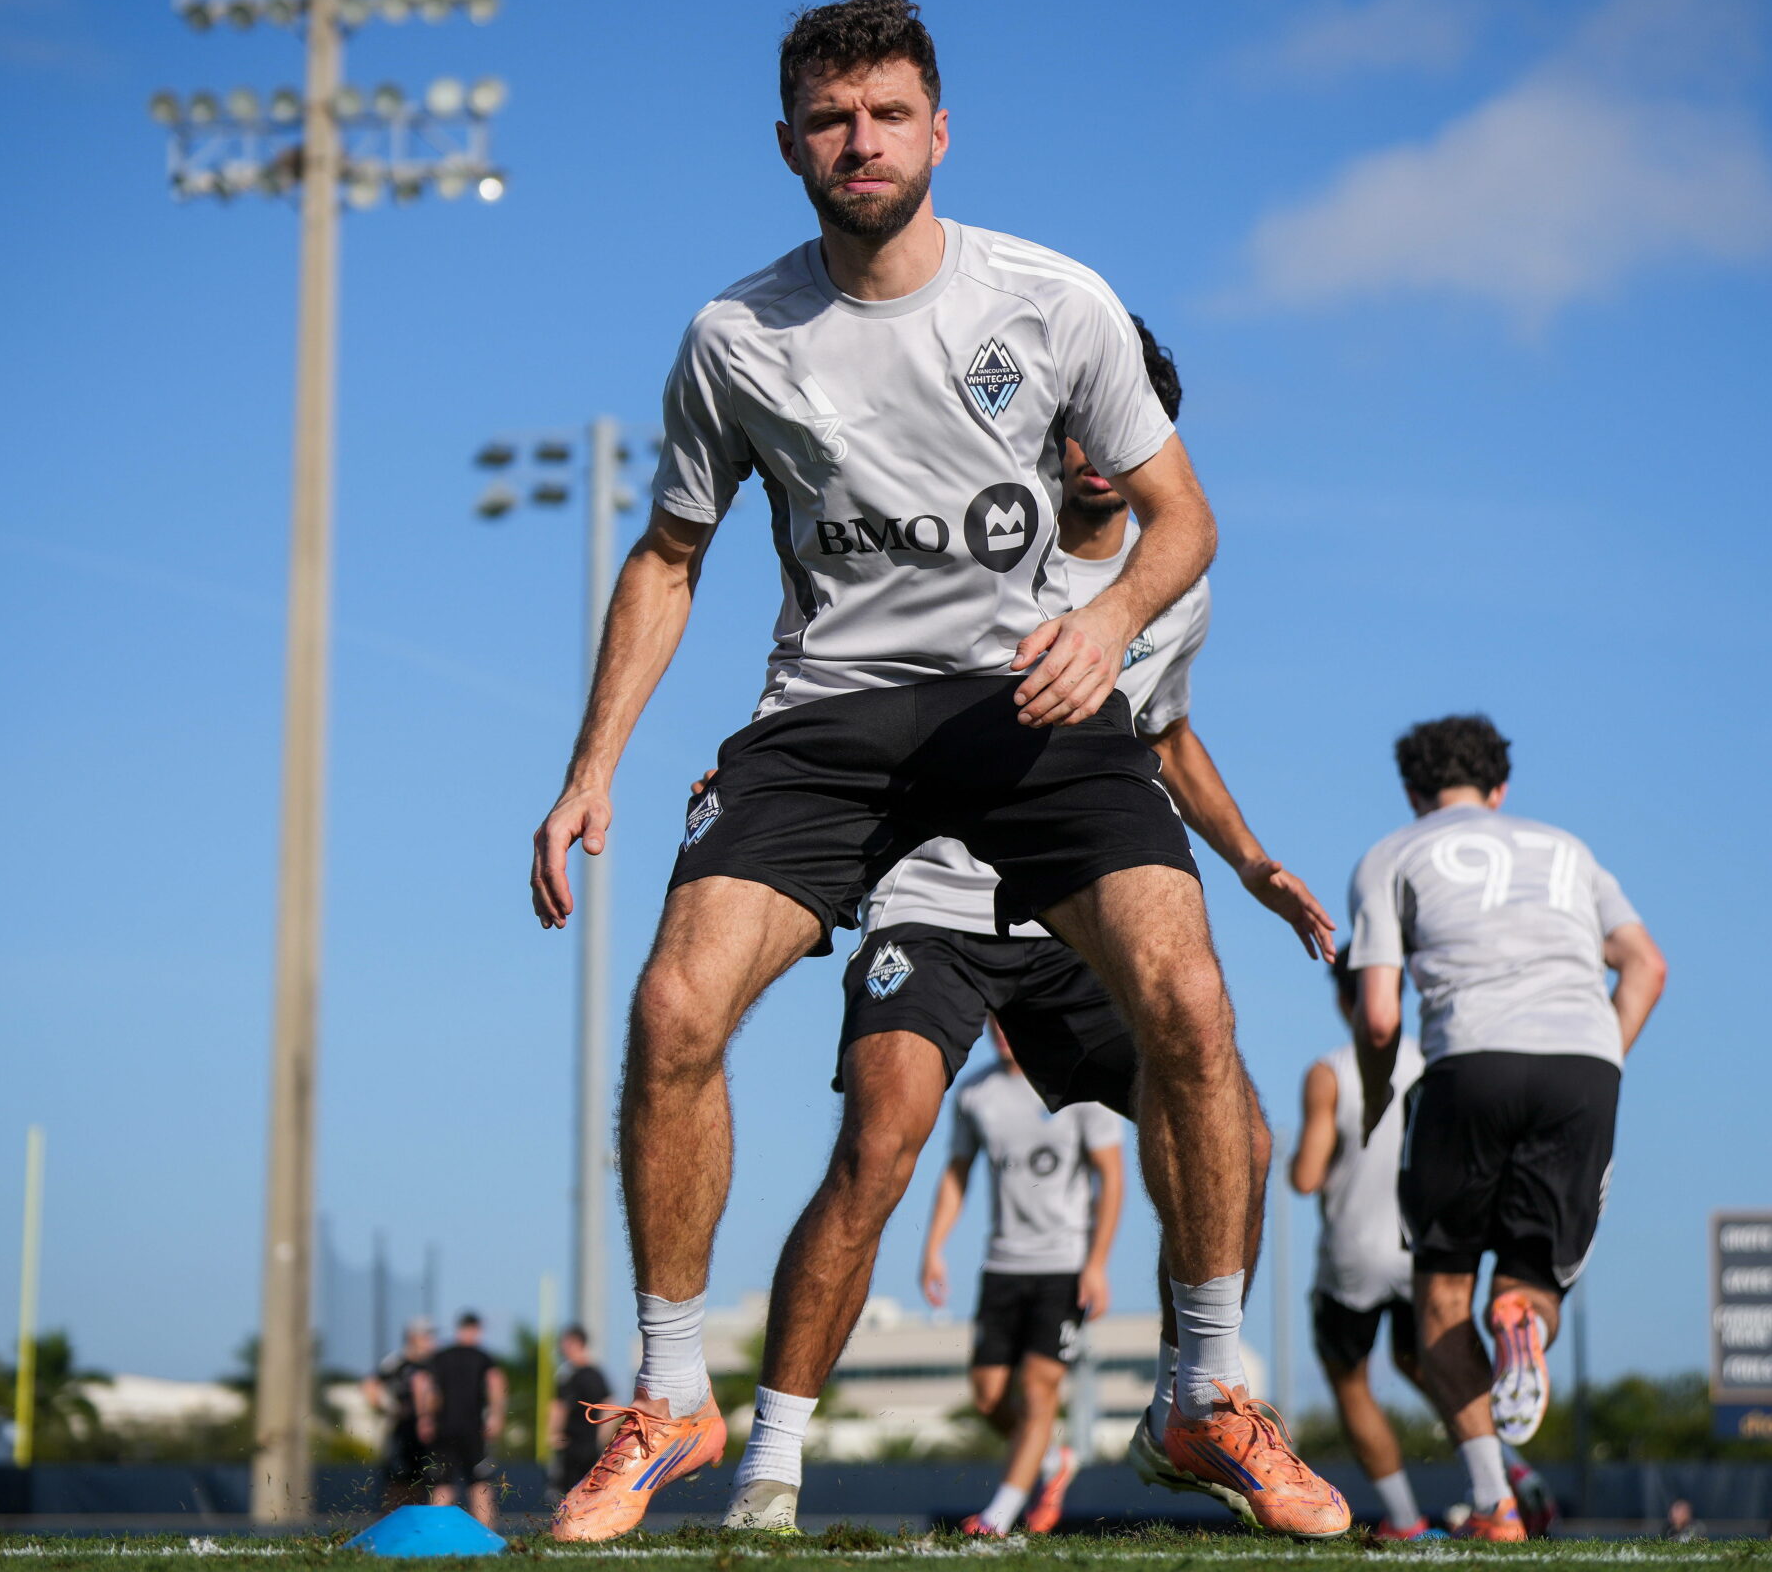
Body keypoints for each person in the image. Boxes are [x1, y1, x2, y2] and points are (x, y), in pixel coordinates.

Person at [532, 0, 1341, 1542]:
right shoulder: (731, 339)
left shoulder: (1052, 301)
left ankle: (1208, 1388)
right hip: (826, 720)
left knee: (1192, 1004)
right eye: (832, 120)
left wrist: (1106, 622)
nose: (862, 142)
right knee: (671, 1009)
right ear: (788, 144)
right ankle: (677, 1399)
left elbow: (1186, 522)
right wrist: (591, 770)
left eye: (889, 114)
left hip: (1024, 712)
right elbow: (669, 558)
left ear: (939, 130)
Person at [708, 319, 1338, 1536]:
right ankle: (769, 1466)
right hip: (934, 897)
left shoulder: (1175, 580)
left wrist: (1253, 860)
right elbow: (837, 673)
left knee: (1232, 1116)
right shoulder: (975, 533)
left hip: (1071, 910)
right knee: (880, 1146)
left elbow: (1164, 735)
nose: (1102, 444)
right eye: (1085, 417)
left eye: (1130, 420)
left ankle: (1194, 1398)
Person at [1345, 714, 1668, 1541]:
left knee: (1444, 1294)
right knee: (1529, 1279)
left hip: (1470, 1061)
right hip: (1582, 1064)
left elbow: (1380, 1019)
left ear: (1415, 793)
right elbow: (1645, 964)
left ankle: (1494, 1504)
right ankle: (1522, 1321)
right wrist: (1602, 1057)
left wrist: (1381, 1099)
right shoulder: (1568, 849)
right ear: (1501, 788)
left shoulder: (1391, 854)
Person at [917, 1023, 1124, 1536]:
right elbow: (957, 1170)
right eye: (997, 1020)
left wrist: (1097, 1262)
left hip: (1064, 1265)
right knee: (988, 1397)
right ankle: (1053, 1461)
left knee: (1038, 1387)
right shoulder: (975, 1093)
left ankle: (1000, 1515)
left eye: (1017, 1018)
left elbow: (1112, 1176)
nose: (1007, 1031)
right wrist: (934, 1249)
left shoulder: (1081, 1087)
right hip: (1003, 1264)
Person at [1289, 956, 1429, 1539]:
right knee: (1438, 1369)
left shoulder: (1332, 1072)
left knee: (1351, 1382)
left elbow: (1305, 1177)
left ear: (1346, 1002)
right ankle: (1509, 1481)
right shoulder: (1436, 1066)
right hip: (1425, 1250)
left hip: (1354, 1253)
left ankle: (1403, 1517)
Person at [425, 1311, 506, 1525]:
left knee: (443, 1484)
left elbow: (430, 1392)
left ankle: (435, 1535)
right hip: (473, 1429)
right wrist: (496, 1415)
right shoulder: (482, 1357)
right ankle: (487, 1538)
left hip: (445, 1428)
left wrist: (427, 1418)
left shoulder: (441, 1357)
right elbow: (495, 1383)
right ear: (476, 1329)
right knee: (480, 1483)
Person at [364, 1319, 439, 1509]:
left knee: (428, 1482)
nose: (431, 1340)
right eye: (426, 1336)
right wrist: (390, 1408)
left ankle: (422, 1528)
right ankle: (392, 1527)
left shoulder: (435, 1363)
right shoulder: (396, 1361)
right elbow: (370, 1386)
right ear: (413, 1337)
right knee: (398, 1482)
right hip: (402, 1429)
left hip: (429, 1431)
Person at [549, 1326, 613, 1499]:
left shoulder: (586, 1375)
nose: (563, 1348)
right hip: (574, 1442)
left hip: (585, 1444)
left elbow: (608, 1405)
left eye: (566, 1343)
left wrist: (602, 1436)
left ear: (576, 1344)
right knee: (572, 1492)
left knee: (580, 1491)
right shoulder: (570, 1374)